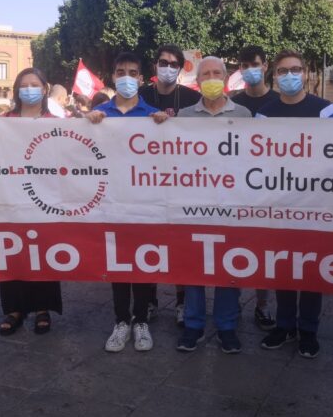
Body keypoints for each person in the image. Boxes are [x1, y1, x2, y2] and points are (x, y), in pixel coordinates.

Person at [256, 49, 333, 359]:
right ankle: (285, 324)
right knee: (284, 266)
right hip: (279, 202)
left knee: (312, 269)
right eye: (283, 71)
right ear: (274, 76)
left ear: (306, 73)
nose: (289, 75)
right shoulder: (265, 113)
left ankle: (309, 330)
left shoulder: (326, 111)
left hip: (315, 203)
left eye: (296, 69)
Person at [87, 51, 167, 352]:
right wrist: (87, 123)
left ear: (142, 78)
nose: (126, 77)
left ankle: (141, 320)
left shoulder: (151, 116)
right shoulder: (100, 115)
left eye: (132, 72)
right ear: (113, 77)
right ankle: (121, 321)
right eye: (120, 72)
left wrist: (163, 125)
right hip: (110, 201)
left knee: (144, 260)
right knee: (118, 261)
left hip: (143, 200)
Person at [174, 56, 251, 354]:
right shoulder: (184, 114)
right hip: (195, 203)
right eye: (205, 74)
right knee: (195, 265)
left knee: (229, 265)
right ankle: (193, 325)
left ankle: (226, 326)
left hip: (232, 204)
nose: (211, 78)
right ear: (198, 80)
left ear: (227, 76)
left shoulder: (244, 114)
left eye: (217, 73)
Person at [0, 67, 63, 336]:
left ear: (45, 89)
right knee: (11, 247)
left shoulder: (56, 120)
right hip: (10, 194)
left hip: (45, 195)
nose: (29, 89)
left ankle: (42, 308)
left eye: (34, 84)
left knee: (43, 248)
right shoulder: (3, 120)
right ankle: (14, 308)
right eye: (24, 84)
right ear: (16, 89)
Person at [139, 44, 201, 324]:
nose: (167, 67)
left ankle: (181, 301)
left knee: (179, 246)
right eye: (163, 62)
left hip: (182, 182)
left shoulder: (191, 98)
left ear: (180, 69)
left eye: (174, 64)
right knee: (149, 243)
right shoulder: (140, 96)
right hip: (145, 182)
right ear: (155, 66)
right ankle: (149, 299)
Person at [229, 45, 280, 330]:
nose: (249, 69)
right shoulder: (233, 104)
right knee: (235, 249)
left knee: (264, 251)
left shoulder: (278, 101)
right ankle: (233, 301)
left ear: (265, 66)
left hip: (269, 189)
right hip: (236, 188)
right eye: (244, 64)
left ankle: (262, 305)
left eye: (255, 64)